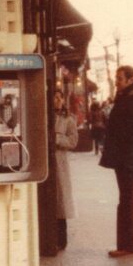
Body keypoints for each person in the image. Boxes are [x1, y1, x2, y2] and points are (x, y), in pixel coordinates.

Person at [99, 65, 133, 258]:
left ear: (131, 80)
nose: (117, 81)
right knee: (130, 197)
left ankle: (130, 245)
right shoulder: (129, 98)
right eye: (116, 78)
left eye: (120, 78)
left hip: (128, 157)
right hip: (125, 155)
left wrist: (125, 147)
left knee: (127, 201)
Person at [54, 90, 78, 250]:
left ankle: (61, 239)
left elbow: (73, 141)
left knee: (60, 201)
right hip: (46, 163)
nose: (56, 101)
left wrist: (57, 139)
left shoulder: (68, 119)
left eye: (59, 97)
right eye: (54, 98)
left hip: (60, 162)